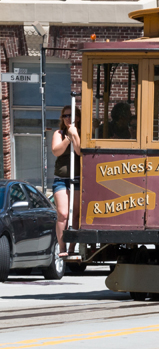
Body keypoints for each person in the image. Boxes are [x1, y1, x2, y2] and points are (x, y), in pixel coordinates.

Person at [51, 106, 81, 257]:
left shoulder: (81, 133)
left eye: (72, 115)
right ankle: (62, 247)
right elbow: (56, 150)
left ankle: (72, 248)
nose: (68, 118)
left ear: (78, 117)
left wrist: (75, 136)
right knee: (63, 213)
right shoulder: (59, 133)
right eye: (65, 116)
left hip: (77, 180)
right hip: (61, 180)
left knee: (76, 215)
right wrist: (68, 138)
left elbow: (80, 151)